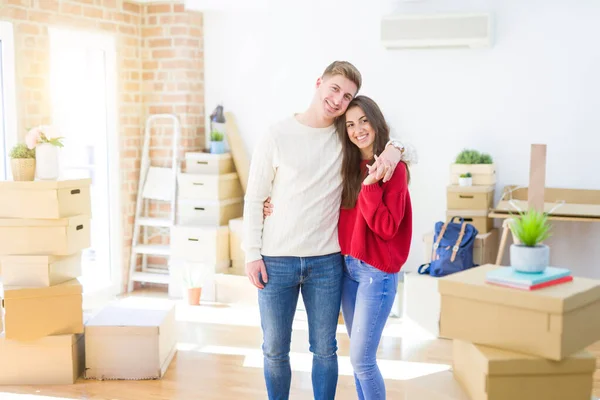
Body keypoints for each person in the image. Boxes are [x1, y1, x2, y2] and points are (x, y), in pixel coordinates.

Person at [242, 61, 408, 400]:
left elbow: (382, 141)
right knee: (274, 349)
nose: (338, 100)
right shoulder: (276, 134)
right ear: (319, 83)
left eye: (347, 96)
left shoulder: (343, 136)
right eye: (334, 89)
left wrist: (396, 148)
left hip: (327, 262)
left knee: (326, 349)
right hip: (276, 259)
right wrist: (251, 254)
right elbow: (255, 196)